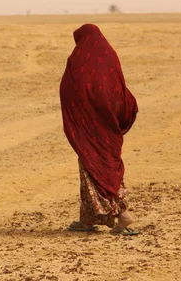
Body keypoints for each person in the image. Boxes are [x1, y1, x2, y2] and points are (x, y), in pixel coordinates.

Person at [59, 24, 139, 236]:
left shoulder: (77, 63)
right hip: (108, 127)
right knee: (109, 167)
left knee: (91, 170)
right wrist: (119, 114)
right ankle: (88, 220)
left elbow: (68, 90)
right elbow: (119, 90)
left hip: (86, 130)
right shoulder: (109, 57)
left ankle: (122, 216)